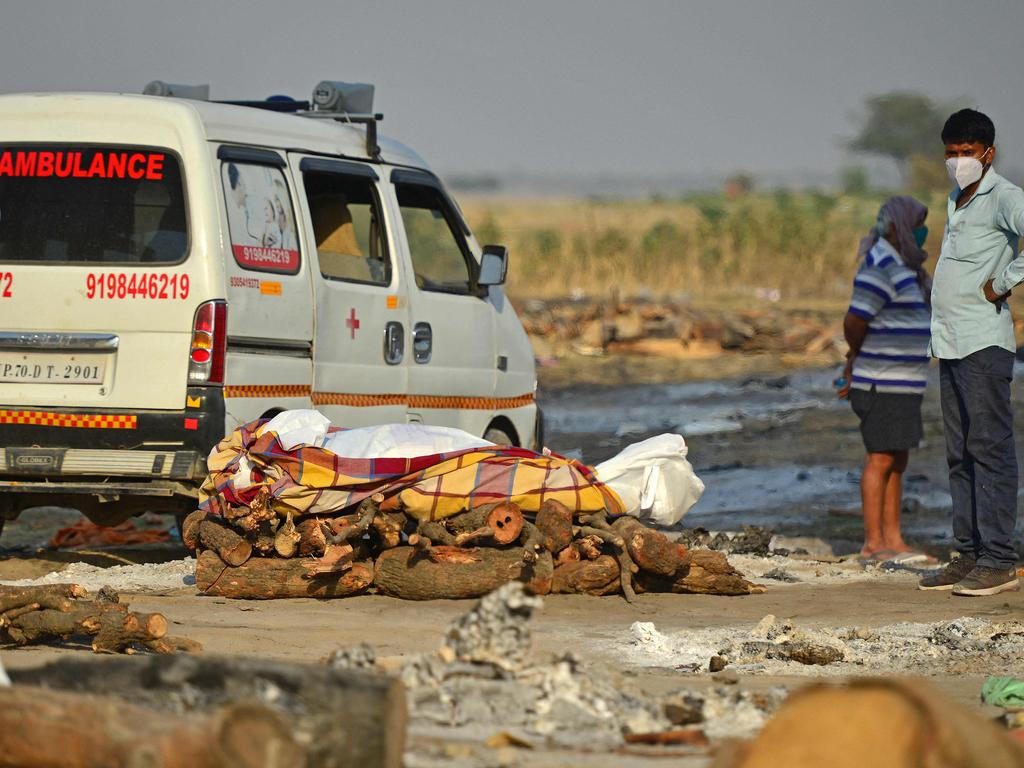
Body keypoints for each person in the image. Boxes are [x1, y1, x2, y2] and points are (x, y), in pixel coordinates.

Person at [917, 109, 1024, 596]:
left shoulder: (1005, 197)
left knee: (990, 449)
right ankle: (969, 552)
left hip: (984, 341)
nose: (958, 160)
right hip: (952, 343)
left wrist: (1001, 283)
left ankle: (1000, 558)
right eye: (951, 153)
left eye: (966, 152)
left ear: (988, 153)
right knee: (959, 452)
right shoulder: (956, 200)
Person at [839, 196, 934, 564]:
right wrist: (854, 355)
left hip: (904, 384)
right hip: (880, 382)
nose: (922, 231)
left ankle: (894, 539)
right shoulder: (879, 264)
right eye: (917, 223)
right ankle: (873, 542)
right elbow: (854, 320)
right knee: (880, 459)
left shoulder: (905, 267)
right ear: (897, 227)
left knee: (898, 459)